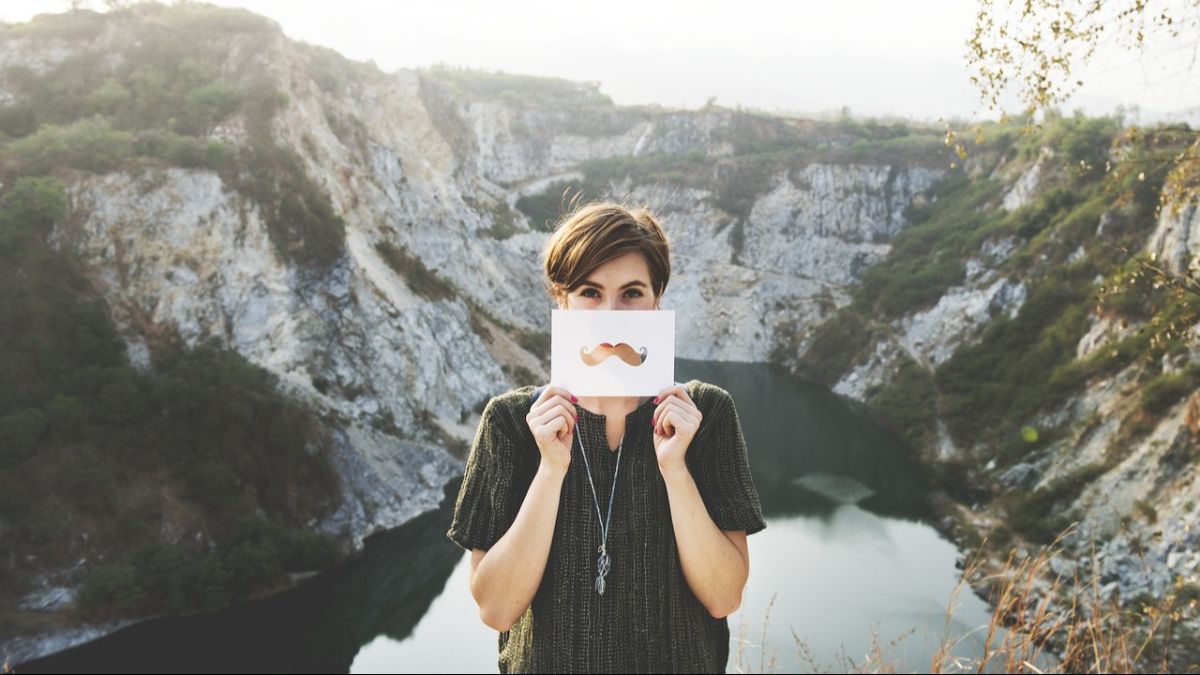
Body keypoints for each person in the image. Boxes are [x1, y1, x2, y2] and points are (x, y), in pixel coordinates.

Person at [445, 198, 767, 673]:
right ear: (564, 301)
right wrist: (550, 470)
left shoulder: (706, 415)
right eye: (591, 293)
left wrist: (676, 469)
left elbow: (724, 597)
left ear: (658, 299)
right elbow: (495, 608)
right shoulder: (511, 423)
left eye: (632, 293)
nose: (611, 312)